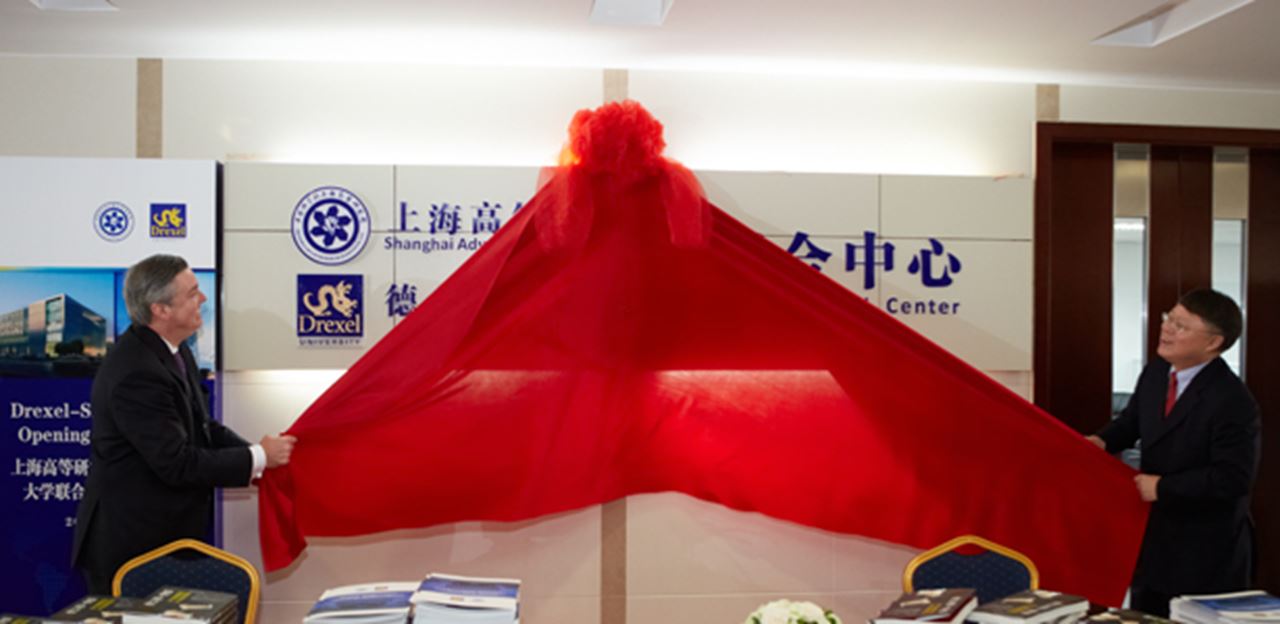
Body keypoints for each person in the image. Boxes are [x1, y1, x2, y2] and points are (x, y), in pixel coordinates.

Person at [71, 254, 296, 594]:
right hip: (133, 549)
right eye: (192, 293)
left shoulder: (175, 351)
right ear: (160, 309)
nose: (203, 299)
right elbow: (176, 463)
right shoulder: (137, 371)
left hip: (167, 540)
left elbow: (203, 426)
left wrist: (257, 457)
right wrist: (258, 457)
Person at [1087, 288, 1260, 617]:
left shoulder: (1232, 400)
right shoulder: (1157, 372)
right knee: (1144, 612)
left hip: (1204, 547)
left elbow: (1232, 479)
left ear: (1213, 342)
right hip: (1151, 538)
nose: (1166, 328)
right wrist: (1102, 442)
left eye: (1181, 326)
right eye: (1169, 318)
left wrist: (1163, 487)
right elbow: (1132, 421)